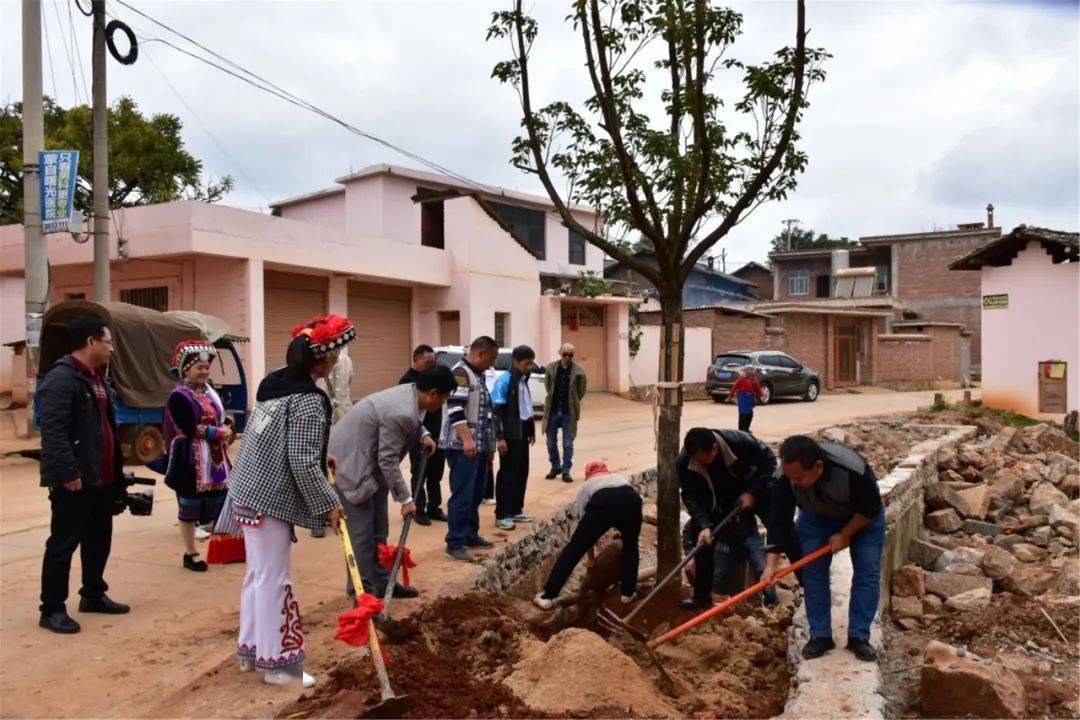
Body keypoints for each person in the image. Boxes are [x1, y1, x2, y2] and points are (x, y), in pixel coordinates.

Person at [228, 315, 354, 688]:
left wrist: (320, 457)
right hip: (267, 497)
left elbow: (285, 443)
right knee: (274, 577)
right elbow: (299, 459)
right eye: (335, 356)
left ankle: (252, 652)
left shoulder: (274, 384)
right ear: (322, 361)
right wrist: (329, 503)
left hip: (246, 489)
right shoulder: (310, 401)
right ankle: (279, 665)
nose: (337, 363)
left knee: (257, 574)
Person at [331, 365, 456, 599]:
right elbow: (387, 460)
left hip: (371, 468)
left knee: (379, 529)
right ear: (433, 393)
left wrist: (423, 434)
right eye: (445, 398)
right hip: (351, 467)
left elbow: (413, 423)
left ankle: (382, 582)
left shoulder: (410, 393)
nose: (444, 404)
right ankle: (363, 595)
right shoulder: (401, 411)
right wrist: (406, 499)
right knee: (361, 537)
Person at [38, 315, 129, 634]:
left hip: (100, 477)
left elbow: (105, 430)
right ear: (91, 342)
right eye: (108, 342)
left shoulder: (96, 379)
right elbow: (53, 432)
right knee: (63, 543)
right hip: (74, 479)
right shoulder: (61, 380)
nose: (111, 349)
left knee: (98, 538)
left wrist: (116, 473)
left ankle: (92, 594)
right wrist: (67, 472)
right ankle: (51, 609)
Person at [762, 435, 885, 662]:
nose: (794, 482)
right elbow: (778, 521)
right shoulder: (785, 479)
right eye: (790, 477)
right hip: (815, 518)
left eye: (799, 477)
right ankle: (820, 635)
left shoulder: (853, 471)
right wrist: (771, 565)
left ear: (818, 467)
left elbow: (870, 509)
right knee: (813, 573)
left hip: (862, 518)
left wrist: (845, 535)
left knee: (867, 572)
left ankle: (859, 636)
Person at [677, 427, 779, 610]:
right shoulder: (685, 462)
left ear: (715, 448)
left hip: (753, 484)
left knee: (776, 523)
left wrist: (752, 492)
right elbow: (691, 496)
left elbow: (769, 461)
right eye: (698, 461)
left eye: (705, 460)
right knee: (705, 542)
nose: (702, 463)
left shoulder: (740, 442)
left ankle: (791, 566)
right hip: (715, 496)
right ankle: (701, 597)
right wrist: (704, 525)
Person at [163, 340, 234, 572]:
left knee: (219, 503)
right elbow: (189, 428)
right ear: (186, 370)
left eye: (206, 368)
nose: (204, 372)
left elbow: (220, 419)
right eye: (199, 368)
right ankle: (190, 553)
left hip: (214, 457)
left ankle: (222, 547)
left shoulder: (210, 393)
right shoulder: (179, 396)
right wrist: (219, 431)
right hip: (191, 459)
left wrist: (228, 428)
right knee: (189, 507)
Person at [533, 461, 641, 610]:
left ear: (588, 476)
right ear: (606, 471)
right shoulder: (618, 478)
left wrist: (590, 558)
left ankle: (548, 596)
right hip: (632, 500)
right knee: (631, 546)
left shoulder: (586, 487)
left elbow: (585, 531)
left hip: (603, 503)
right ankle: (628, 594)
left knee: (575, 548)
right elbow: (621, 502)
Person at [440, 336, 498, 563]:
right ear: (479, 354)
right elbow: (455, 408)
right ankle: (454, 542)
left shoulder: (478, 375)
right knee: (462, 495)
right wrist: (467, 439)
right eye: (491, 359)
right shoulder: (461, 374)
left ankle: (470, 535)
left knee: (476, 493)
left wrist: (488, 445)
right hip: (462, 446)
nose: (492, 364)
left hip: (478, 447)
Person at [398, 345, 448, 526]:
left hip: (437, 433)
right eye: (428, 362)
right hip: (418, 434)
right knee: (420, 472)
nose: (431, 366)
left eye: (433, 362)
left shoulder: (434, 378)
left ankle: (434, 508)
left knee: (436, 473)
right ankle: (419, 509)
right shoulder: (407, 382)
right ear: (416, 360)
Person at [492, 345, 537, 531]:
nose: (529, 367)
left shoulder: (523, 380)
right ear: (516, 361)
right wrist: (500, 437)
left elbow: (525, 408)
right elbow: (497, 411)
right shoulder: (505, 380)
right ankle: (502, 514)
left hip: (522, 433)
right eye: (526, 364)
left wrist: (531, 430)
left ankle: (516, 509)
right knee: (507, 474)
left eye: (530, 363)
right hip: (509, 435)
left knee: (521, 471)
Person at [543, 343, 587, 482]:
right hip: (553, 411)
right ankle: (555, 466)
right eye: (565, 354)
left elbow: (581, 391)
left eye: (570, 355)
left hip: (569, 412)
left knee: (568, 443)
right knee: (550, 442)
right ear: (560, 352)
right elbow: (548, 386)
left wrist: (573, 400)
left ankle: (566, 470)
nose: (567, 357)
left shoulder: (579, 371)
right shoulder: (551, 368)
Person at [727, 366, 764, 433]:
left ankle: (746, 428)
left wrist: (761, 395)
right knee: (743, 413)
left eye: (751, 370)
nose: (749, 371)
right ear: (745, 371)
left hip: (750, 398)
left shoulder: (754, 379)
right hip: (742, 397)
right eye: (747, 370)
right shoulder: (741, 379)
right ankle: (741, 429)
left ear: (753, 371)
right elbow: (734, 387)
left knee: (750, 414)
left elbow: (758, 388)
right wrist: (730, 395)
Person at [327, 347, 354, 424]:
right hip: (339, 411)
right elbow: (349, 382)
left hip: (343, 411)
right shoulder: (347, 360)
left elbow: (349, 381)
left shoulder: (347, 360)